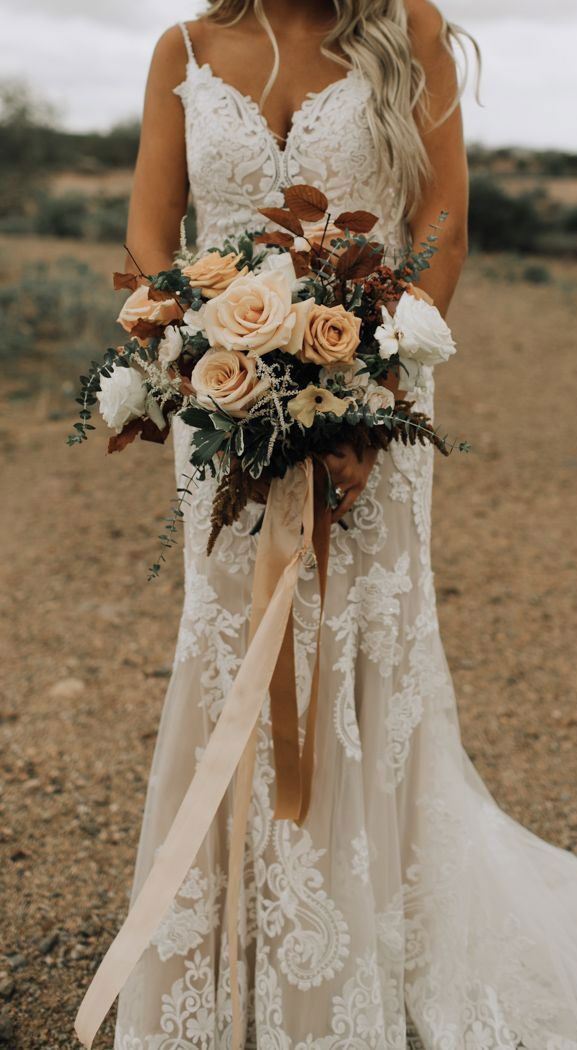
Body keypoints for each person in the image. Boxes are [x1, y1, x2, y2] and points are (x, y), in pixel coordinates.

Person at [106, 2, 577, 1047]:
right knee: (230, 647)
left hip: (375, 402)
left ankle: (362, 959)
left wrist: (370, 389)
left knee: (361, 651)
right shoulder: (180, 49)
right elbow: (150, 232)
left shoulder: (407, 28)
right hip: (222, 404)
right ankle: (229, 962)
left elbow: (440, 218)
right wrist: (193, 347)